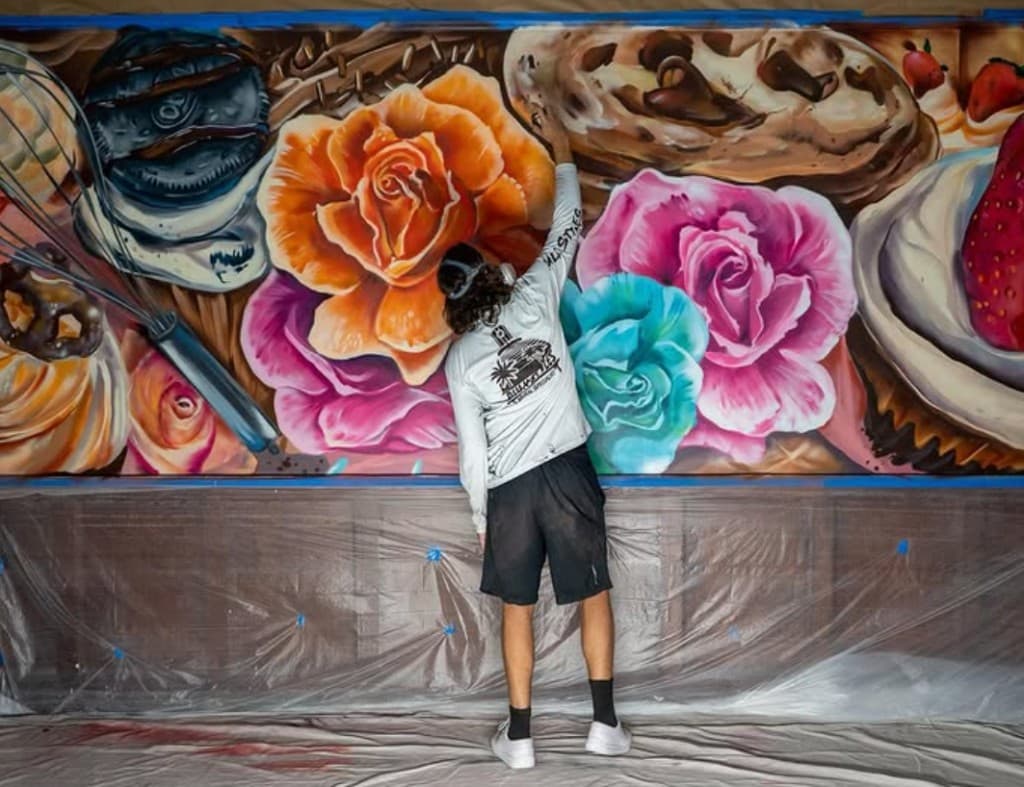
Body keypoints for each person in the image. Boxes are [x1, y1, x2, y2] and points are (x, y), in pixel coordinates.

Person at [437, 106, 631, 770]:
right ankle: (603, 724)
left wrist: (481, 517)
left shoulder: (460, 360)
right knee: (594, 592)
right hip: (570, 473)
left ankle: (518, 738)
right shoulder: (537, 295)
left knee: (516, 606)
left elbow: (473, 455)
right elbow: (569, 225)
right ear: (493, 274)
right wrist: (563, 151)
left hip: (511, 492)